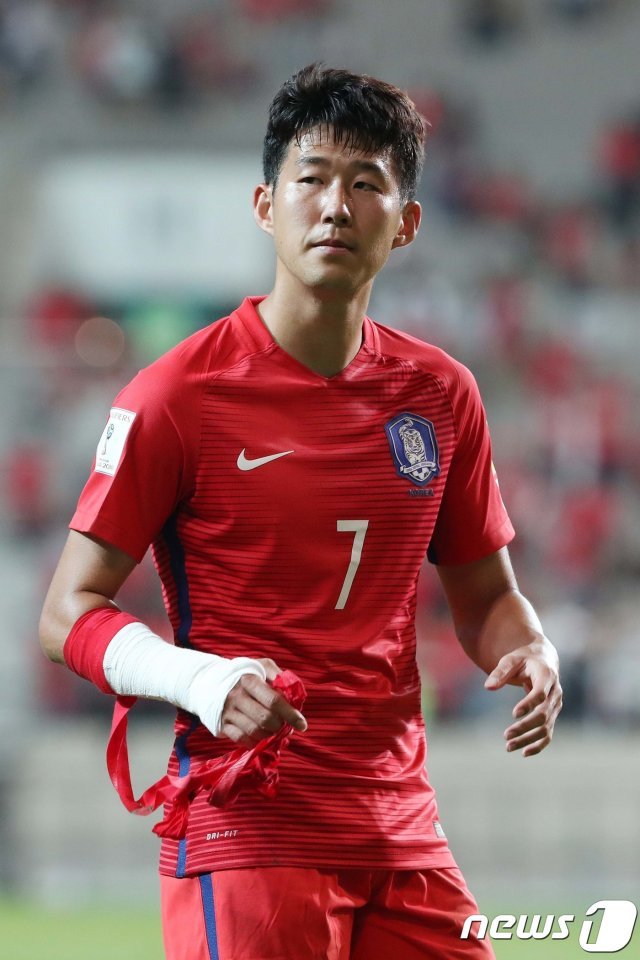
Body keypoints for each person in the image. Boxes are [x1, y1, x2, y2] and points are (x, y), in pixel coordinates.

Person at [39, 63, 563, 960]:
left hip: (399, 825)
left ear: (407, 223)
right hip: (248, 823)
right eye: (311, 178)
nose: (335, 207)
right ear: (264, 205)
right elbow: (65, 614)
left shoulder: (440, 395)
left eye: (366, 184)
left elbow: (488, 599)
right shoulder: (178, 396)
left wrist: (532, 646)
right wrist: (199, 682)